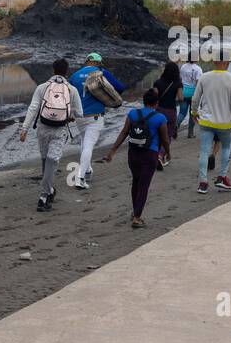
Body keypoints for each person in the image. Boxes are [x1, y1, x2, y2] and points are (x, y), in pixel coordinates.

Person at [101, 88, 171, 228]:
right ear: (156, 103)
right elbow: (164, 138)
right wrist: (167, 152)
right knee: (144, 186)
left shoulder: (133, 114)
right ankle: (137, 218)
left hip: (133, 153)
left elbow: (124, 132)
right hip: (149, 155)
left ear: (144, 102)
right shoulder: (160, 118)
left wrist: (112, 151)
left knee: (136, 182)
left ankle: (135, 211)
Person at [20, 58, 83, 211]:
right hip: (60, 130)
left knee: (45, 160)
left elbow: (33, 108)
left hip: (43, 129)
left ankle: (46, 193)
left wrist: (24, 129)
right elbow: (79, 113)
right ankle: (46, 194)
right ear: (66, 72)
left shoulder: (42, 87)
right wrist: (70, 115)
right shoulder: (72, 90)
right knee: (52, 161)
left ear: (53, 70)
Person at [68, 52, 126, 189]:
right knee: (88, 145)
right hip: (95, 116)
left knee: (84, 143)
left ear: (87, 61)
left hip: (79, 116)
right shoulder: (101, 72)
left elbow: (68, 94)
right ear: (98, 62)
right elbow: (120, 88)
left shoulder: (74, 76)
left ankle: (87, 170)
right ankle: (80, 178)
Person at [189, 58, 231, 194]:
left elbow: (195, 98)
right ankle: (222, 177)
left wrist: (194, 112)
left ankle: (203, 183)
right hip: (225, 123)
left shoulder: (204, 77)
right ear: (228, 63)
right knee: (226, 148)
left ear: (214, 62)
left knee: (204, 151)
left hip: (206, 121)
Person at [152, 61, 183, 167]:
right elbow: (181, 98)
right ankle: (160, 155)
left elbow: (154, 97)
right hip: (170, 112)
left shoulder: (157, 82)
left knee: (157, 134)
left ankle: (155, 155)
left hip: (158, 111)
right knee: (168, 135)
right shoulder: (178, 83)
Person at [178, 59, 204, 137]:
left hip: (183, 92)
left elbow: (180, 79)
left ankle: (175, 125)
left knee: (182, 113)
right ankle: (190, 133)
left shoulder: (183, 67)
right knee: (193, 113)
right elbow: (198, 83)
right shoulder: (198, 69)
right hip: (193, 93)